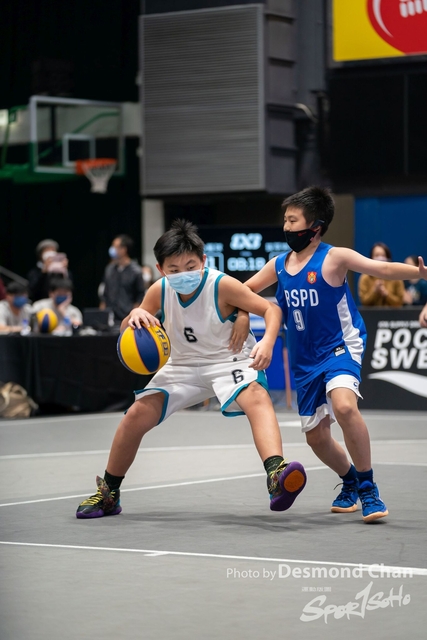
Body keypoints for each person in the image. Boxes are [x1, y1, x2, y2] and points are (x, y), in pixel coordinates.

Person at [76, 219, 307, 519]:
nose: (183, 274)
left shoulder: (221, 284)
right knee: (134, 415)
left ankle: (276, 474)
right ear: (160, 269)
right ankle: (109, 494)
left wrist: (267, 342)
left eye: (190, 266)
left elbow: (271, 309)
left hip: (229, 361)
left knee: (256, 396)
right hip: (181, 365)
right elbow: (127, 330)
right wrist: (133, 316)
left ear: (203, 261)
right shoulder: (159, 290)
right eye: (173, 269)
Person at [243, 185, 427, 523]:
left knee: (343, 406)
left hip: (340, 346)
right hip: (304, 359)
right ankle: (350, 481)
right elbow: (243, 291)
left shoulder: (334, 257)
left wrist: (418, 272)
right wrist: (238, 312)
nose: (286, 227)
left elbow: (381, 269)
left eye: (292, 220)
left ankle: (369, 489)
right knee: (316, 438)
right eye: (285, 220)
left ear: (315, 227)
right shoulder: (278, 265)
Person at [99, 234, 145, 323]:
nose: (112, 249)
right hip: (111, 315)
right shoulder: (109, 269)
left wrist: (133, 315)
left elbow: (140, 296)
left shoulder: (135, 271)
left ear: (124, 249)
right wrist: (102, 315)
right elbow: (105, 293)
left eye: (115, 246)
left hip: (127, 316)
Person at [358, 242, 405, 307]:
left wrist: (386, 294)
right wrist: (374, 291)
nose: (380, 258)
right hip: (371, 313)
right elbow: (364, 302)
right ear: (371, 258)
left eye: (383, 255)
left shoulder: (396, 277)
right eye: (377, 255)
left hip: (392, 313)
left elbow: (400, 302)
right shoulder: (365, 278)